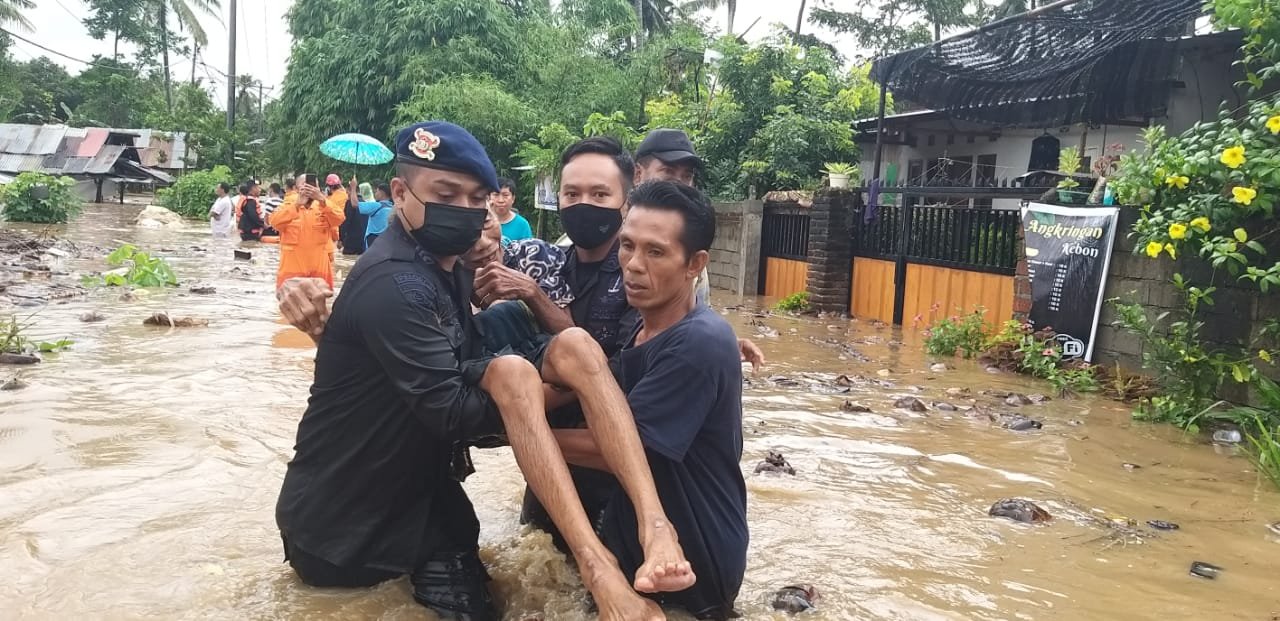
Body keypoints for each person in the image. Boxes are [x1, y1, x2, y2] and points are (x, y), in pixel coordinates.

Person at [276, 121, 693, 621]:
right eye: (447, 194)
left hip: (432, 502)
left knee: (575, 346)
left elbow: (672, 334)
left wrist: (708, 340)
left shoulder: (443, 264)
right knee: (517, 372)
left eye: (476, 199)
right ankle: (597, 566)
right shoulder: (414, 279)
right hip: (353, 526)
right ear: (400, 193)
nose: (465, 211)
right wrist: (534, 388)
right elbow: (448, 410)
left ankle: (653, 527)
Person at [555, 180, 748, 619]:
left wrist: (516, 431)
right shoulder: (641, 327)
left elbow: (624, 448)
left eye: (655, 252)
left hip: (691, 556)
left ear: (695, 263)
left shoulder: (697, 343)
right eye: (627, 246)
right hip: (641, 533)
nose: (633, 266)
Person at [632, 129, 712, 306]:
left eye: (687, 176)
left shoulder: (691, 261)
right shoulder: (596, 244)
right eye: (667, 172)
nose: (678, 184)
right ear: (638, 175)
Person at [270, 174, 344, 290]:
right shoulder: (287, 206)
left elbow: (340, 219)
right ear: (296, 189)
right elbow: (274, 222)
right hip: (292, 277)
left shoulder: (324, 207)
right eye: (306, 186)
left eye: (313, 186)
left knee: (320, 306)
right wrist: (297, 205)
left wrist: (322, 200)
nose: (310, 190)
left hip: (319, 276)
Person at [490, 177, 533, 246]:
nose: (500, 200)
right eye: (496, 195)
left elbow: (528, 252)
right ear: (489, 197)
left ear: (513, 198)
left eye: (505, 195)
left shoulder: (522, 225)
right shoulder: (481, 222)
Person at [357, 182, 393, 249]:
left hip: (373, 239)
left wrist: (353, 188)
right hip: (387, 239)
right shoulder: (393, 208)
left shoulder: (376, 206)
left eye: (377, 191)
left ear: (382, 193)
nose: (375, 194)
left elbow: (354, 204)